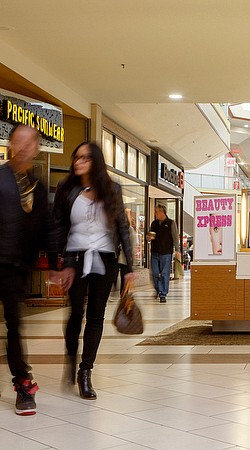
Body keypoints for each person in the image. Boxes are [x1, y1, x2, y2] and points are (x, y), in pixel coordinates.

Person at [0, 124, 57, 416]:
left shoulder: (38, 187)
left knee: (12, 322)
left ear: (37, 147)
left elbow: (46, 229)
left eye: (30, 142)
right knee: (14, 322)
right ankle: (23, 383)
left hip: (22, 265)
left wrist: (54, 265)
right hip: (1, 262)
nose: (24, 147)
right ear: (11, 145)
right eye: (19, 141)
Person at [53, 142, 135, 400]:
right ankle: (70, 357)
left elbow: (122, 227)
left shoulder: (112, 190)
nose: (79, 162)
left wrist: (129, 268)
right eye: (76, 158)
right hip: (75, 259)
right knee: (76, 313)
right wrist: (61, 263)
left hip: (105, 259)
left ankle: (85, 371)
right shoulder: (66, 189)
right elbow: (57, 227)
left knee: (96, 316)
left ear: (96, 161)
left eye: (85, 158)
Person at [148, 204, 179, 302]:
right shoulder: (154, 223)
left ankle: (163, 294)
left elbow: (175, 237)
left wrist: (177, 250)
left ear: (162, 212)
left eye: (157, 212)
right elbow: (149, 235)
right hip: (155, 252)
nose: (155, 214)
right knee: (155, 273)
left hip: (166, 252)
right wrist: (148, 238)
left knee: (165, 273)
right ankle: (158, 289)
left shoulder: (170, 223)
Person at [115, 211, 138, 297]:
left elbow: (132, 246)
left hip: (125, 259)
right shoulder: (115, 230)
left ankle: (123, 295)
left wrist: (132, 262)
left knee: (124, 278)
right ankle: (117, 293)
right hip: (116, 258)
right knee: (114, 277)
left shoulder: (130, 230)